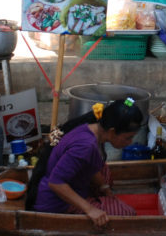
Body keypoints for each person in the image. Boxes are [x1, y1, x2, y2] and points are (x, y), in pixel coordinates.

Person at [27, 98, 144, 228]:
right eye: (128, 137)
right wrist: (90, 209)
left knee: (103, 171)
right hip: (56, 203)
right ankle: (90, 203)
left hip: (71, 185)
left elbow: (90, 165)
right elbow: (55, 183)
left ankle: (96, 199)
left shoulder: (91, 128)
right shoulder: (85, 146)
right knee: (128, 215)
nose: (130, 142)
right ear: (111, 131)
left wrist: (104, 188)